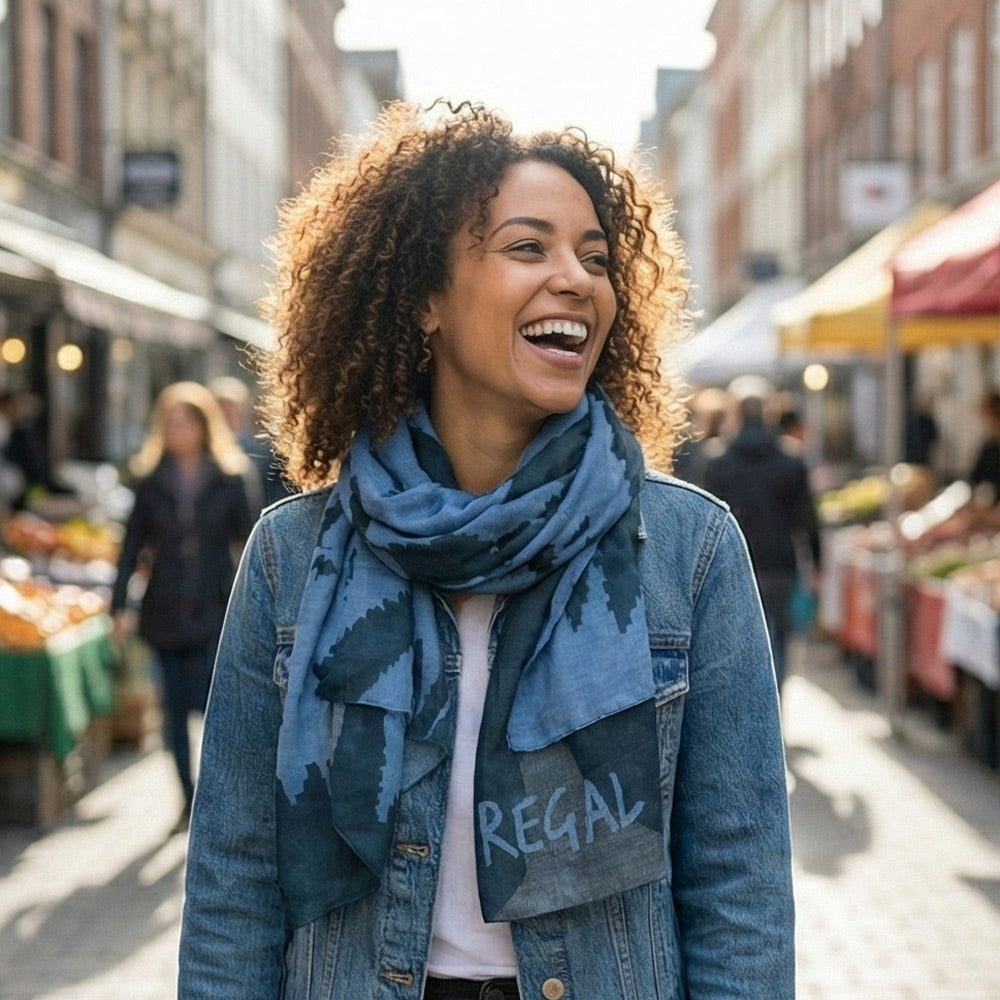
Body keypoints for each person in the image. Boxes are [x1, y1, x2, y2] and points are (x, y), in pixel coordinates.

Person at [178, 101, 794, 1000]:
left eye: (595, 256)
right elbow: (235, 881)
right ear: (424, 300)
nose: (577, 279)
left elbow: (739, 885)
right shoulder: (291, 554)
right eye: (528, 247)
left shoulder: (687, 552)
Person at [111, 381, 254, 831]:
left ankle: (217, 795)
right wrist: (118, 605)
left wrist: (256, 606)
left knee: (215, 705)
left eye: (184, 422)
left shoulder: (230, 477)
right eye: (168, 422)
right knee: (172, 709)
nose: (175, 430)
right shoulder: (151, 480)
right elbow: (132, 545)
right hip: (165, 606)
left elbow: (251, 543)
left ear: (203, 425)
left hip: (216, 605)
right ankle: (187, 799)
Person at [704, 378, 821, 693]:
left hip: (731, 565)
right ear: (769, 413)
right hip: (780, 561)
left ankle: (746, 717)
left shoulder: (717, 461)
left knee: (735, 644)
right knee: (779, 642)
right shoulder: (791, 460)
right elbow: (807, 517)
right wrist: (817, 559)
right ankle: (773, 711)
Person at [208, 374, 293, 512]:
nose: (226, 413)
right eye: (220, 407)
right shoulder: (200, 453)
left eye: (232, 407)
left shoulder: (266, 452)